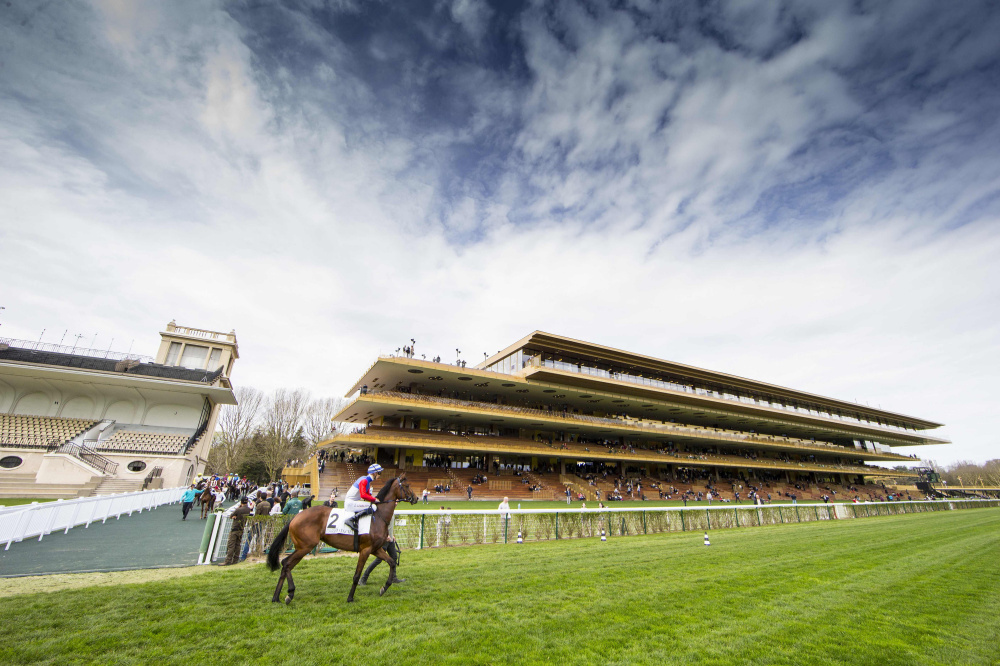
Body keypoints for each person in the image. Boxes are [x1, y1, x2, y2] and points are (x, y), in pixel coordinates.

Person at [343, 463, 383, 531]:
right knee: (373, 507)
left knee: (373, 505)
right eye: (379, 473)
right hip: (350, 504)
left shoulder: (367, 480)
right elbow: (363, 495)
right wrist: (374, 499)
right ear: (375, 473)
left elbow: (368, 495)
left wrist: (375, 500)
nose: (380, 475)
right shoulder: (364, 480)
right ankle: (351, 519)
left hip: (352, 502)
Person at [223, 497, 252, 565]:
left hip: (235, 528)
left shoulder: (239, 510)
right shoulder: (248, 509)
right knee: (238, 545)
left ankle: (228, 560)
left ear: (241, 502)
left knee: (231, 545)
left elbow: (231, 515)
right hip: (241, 529)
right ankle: (235, 560)